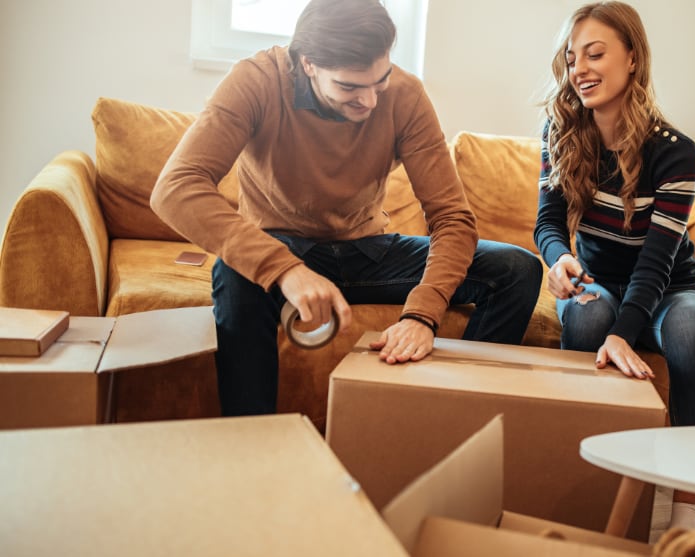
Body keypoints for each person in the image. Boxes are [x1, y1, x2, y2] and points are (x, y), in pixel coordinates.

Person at [151, 0, 541, 416]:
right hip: (282, 247)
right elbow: (175, 188)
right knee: (233, 273)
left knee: (517, 270)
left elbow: (452, 218)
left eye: (380, 81)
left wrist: (423, 315)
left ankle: (453, 419)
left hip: (367, 251)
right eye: (350, 88)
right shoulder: (256, 81)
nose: (370, 101)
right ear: (307, 65)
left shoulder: (405, 95)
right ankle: (251, 444)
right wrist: (284, 269)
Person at [535, 1, 695, 529]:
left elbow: (659, 262)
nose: (580, 70)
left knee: (689, 327)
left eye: (596, 54)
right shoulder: (560, 133)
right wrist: (560, 257)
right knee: (591, 317)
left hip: (670, 286)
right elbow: (547, 223)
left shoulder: (676, 153)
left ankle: (688, 503)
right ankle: (591, 482)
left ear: (633, 58)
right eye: (573, 59)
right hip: (598, 279)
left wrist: (625, 332)